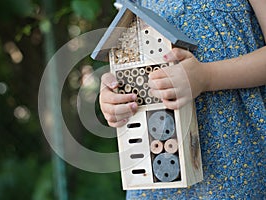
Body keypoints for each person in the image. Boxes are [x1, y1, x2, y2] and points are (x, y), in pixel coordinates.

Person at [100, 0, 266, 199]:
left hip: (234, 163)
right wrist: (115, 96)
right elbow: (126, 57)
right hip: (157, 174)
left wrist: (207, 77)